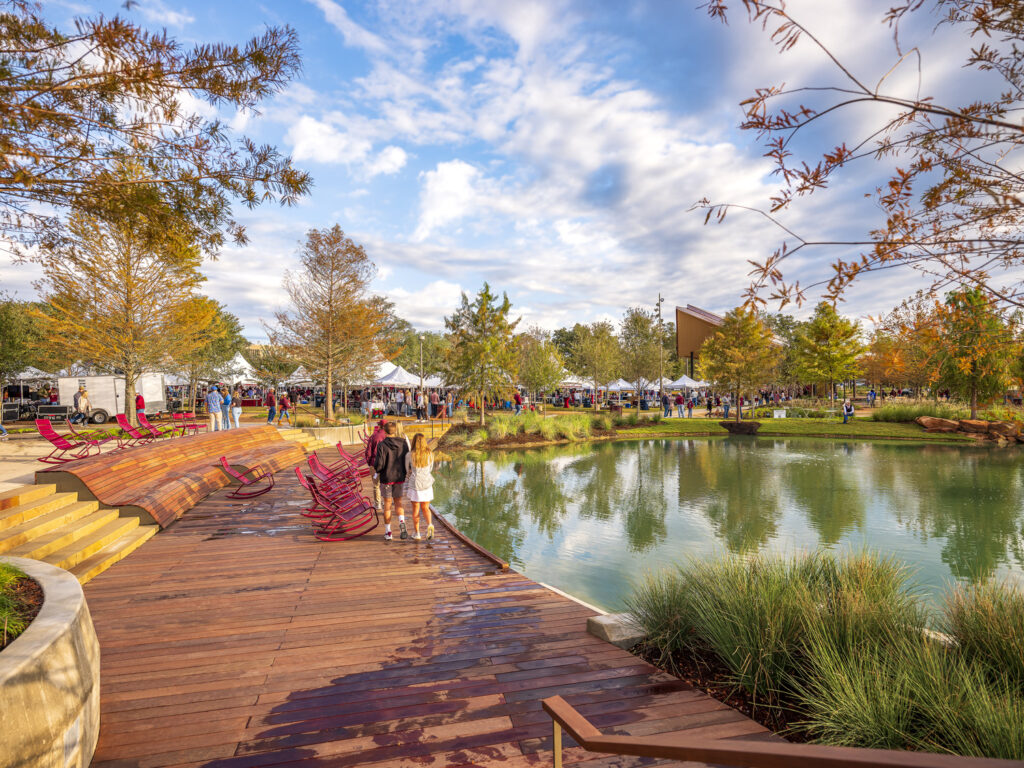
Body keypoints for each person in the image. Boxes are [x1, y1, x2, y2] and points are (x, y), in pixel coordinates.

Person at [373, 421, 410, 542]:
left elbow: (379, 464)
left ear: (384, 431)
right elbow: (407, 459)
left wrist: (376, 470)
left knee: (387, 506)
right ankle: (402, 523)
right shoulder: (403, 443)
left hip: (387, 478)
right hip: (399, 477)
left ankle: (388, 532)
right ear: (395, 430)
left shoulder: (382, 445)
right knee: (398, 503)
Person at [405, 432, 435, 541]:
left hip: (415, 484)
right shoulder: (430, 454)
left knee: (415, 510)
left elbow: (406, 470)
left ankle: (417, 533)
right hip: (426, 483)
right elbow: (430, 469)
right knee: (426, 508)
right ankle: (429, 524)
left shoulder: (410, 455)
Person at [365, 418, 388, 513]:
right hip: (386, 463)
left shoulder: (374, 436)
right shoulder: (388, 436)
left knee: (376, 484)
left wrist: (369, 463)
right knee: (386, 484)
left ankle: (378, 503)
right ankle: (386, 502)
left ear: (380, 426)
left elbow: (368, 452)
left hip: (374, 463)